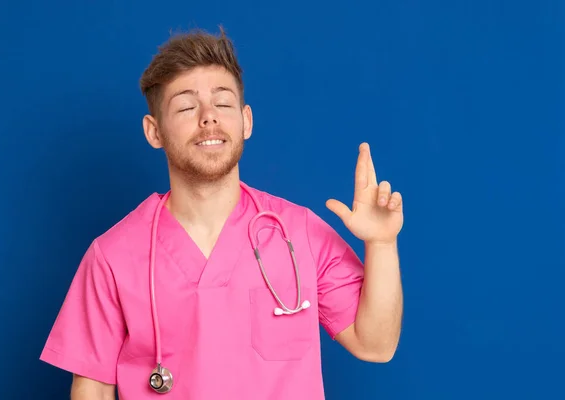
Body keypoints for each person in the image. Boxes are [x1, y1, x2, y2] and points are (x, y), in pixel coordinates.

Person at [39, 26, 404, 400]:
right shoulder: (113, 256)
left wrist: (382, 242)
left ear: (246, 121)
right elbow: (92, 390)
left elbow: (375, 345)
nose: (208, 117)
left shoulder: (300, 233)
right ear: (154, 132)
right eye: (185, 106)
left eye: (223, 103)